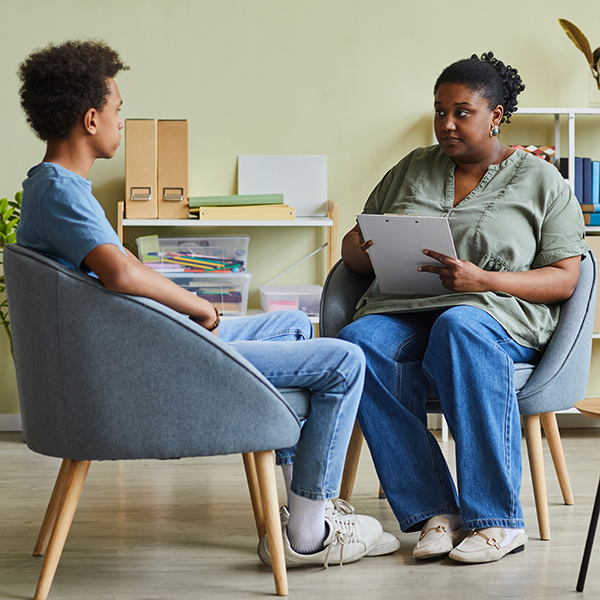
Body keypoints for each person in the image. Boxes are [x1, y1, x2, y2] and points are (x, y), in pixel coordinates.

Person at [16, 39, 399, 568]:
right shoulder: (60, 191)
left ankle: (300, 510)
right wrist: (197, 304)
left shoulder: (52, 188)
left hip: (143, 342)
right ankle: (310, 535)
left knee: (289, 324)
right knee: (344, 360)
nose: (121, 121)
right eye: (117, 110)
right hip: (146, 361)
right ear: (89, 119)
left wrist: (185, 309)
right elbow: (122, 273)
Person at [338, 51, 588, 564]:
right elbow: (352, 256)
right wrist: (363, 245)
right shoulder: (412, 168)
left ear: (496, 115)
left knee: (460, 325)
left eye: (462, 112)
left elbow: (566, 279)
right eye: (439, 111)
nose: (446, 124)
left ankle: (496, 520)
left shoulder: (543, 182)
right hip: (405, 307)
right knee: (360, 343)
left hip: (495, 314)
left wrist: (484, 278)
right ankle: (436, 512)